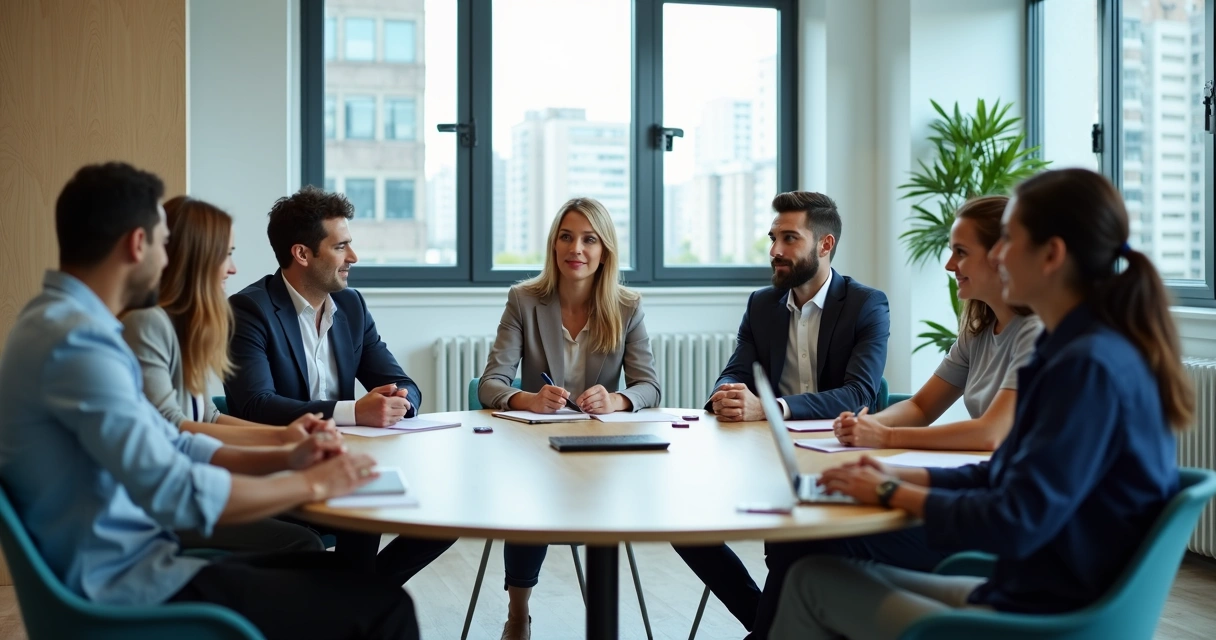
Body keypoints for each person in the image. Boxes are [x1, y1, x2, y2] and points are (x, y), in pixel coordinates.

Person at [0, 162, 419, 639]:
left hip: (137, 563)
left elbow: (172, 441)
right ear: (138, 245)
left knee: (354, 583)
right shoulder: (79, 343)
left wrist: (287, 453)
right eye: (164, 244)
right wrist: (311, 483)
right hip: (127, 585)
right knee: (383, 606)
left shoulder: (60, 325)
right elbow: (174, 489)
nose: (168, 259)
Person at [770, 168, 1191, 639]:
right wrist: (890, 473)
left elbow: (1016, 518)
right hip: (1026, 591)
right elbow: (1002, 473)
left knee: (811, 581)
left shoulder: (1085, 366)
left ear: (1051, 255)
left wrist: (890, 491)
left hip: (1047, 620)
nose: (999, 255)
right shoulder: (1070, 350)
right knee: (813, 572)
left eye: (1009, 240)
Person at [675, 191, 891, 633]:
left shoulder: (866, 304)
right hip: (768, 456)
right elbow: (735, 370)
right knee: (684, 525)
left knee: (789, 546)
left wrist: (771, 407)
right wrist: (726, 395)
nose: (775, 250)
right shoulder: (761, 304)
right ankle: (767, 625)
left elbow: (859, 394)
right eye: (773, 238)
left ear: (825, 245)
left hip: (839, 456)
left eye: (789, 238)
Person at [224, 185, 454, 581]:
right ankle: (357, 601)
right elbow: (256, 405)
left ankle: (356, 600)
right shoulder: (250, 310)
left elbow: (402, 382)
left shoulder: (351, 305)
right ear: (302, 254)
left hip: (344, 461)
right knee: (362, 504)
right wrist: (354, 412)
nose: (353, 257)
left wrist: (399, 401)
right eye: (341, 247)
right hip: (280, 469)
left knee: (445, 513)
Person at [478, 197, 661, 640]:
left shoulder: (627, 306)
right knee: (529, 499)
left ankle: (603, 620)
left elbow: (650, 387)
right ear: (554, 245)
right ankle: (518, 613)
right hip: (536, 448)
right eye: (566, 237)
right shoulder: (524, 300)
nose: (575, 248)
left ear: (605, 251)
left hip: (600, 452)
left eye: (588, 239)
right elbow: (490, 383)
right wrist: (528, 399)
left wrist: (617, 400)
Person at [122, 195, 336, 553]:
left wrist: (288, 435)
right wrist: (283, 445)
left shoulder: (180, 326)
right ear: (196, 259)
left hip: (189, 485)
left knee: (317, 517)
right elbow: (172, 427)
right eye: (226, 255)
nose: (233, 269)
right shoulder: (147, 324)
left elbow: (207, 416)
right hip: (161, 508)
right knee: (303, 541)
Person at [832, 195, 1043, 451]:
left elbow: (991, 434)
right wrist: (867, 424)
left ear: (1001, 255)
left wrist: (886, 436)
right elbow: (920, 407)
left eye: (961, 252)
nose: (949, 265)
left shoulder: (1036, 331)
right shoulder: (977, 332)